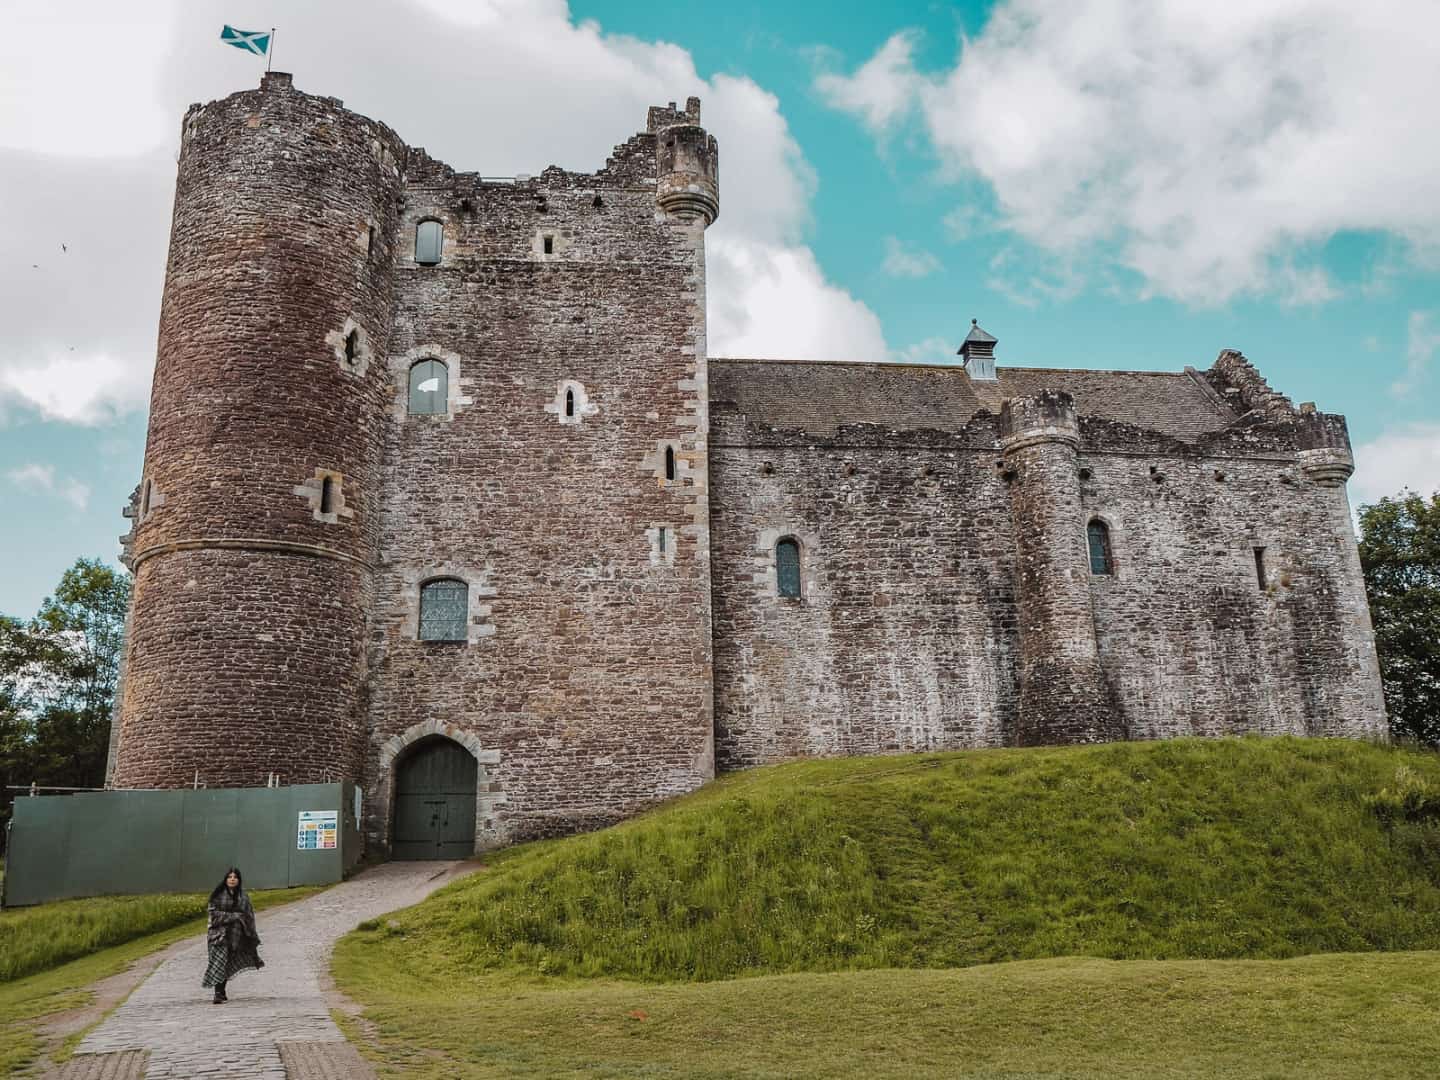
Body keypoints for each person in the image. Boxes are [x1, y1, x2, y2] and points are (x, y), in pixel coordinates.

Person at [202, 867, 263, 1004]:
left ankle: (221, 991)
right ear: (225, 879)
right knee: (219, 961)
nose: (232, 879)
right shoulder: (218, 895)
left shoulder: (243, 896)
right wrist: (233, 916)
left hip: (236, 934)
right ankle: (217, 993)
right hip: (217, 935)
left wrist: (250, 933)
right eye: (229, 877)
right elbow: (213, 914)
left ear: (239, 880)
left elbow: (249, 915)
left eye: (235, 877)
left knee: (227, 962)